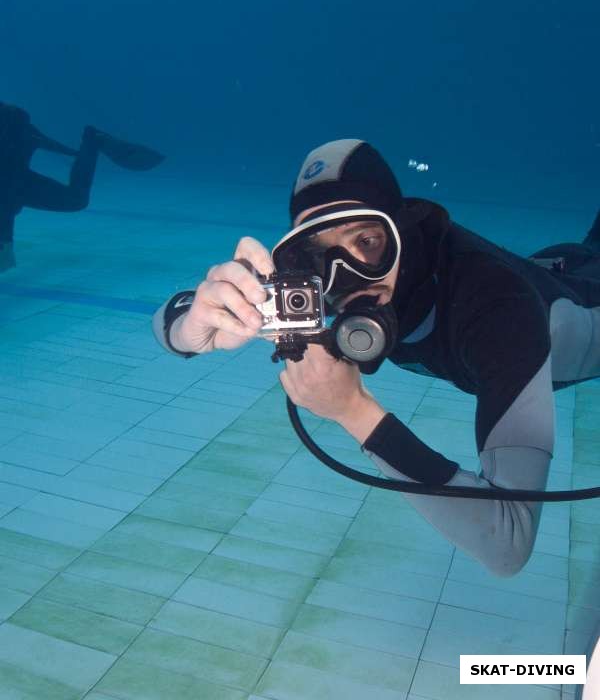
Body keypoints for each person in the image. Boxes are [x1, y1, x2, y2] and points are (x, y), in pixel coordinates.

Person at [152, 138, 600, 577]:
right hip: (558, 264)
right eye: (321, 254)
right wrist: (194, 329)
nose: (348, 274)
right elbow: (166, 320)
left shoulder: (498, 312)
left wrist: (355, 412)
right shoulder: (326, 286)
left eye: (367, 239)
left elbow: (508, 543)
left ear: (401, 232)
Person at [0, 101, 164, 271]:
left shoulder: (17, 127)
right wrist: (83, 152)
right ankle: (93, 141)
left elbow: (41, 142)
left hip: (14, 188)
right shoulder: (20, 127)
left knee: (73, 200)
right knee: (74, 200)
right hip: (17, 186)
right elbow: (44, 142)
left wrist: (82, 152)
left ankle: (93, 141)